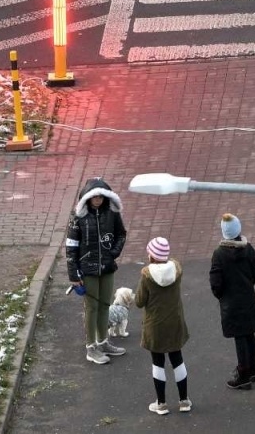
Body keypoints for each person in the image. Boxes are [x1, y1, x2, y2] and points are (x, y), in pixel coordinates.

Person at [65, 176, 128, 364]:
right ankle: (91, 347)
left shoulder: (112, 213)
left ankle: (103, 342)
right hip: (88, 269)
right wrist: (74, 274)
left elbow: (121, 234)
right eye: (94, 197)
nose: (98, 200)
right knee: (91, 308)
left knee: (105, 305)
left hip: (107, 268)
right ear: (88, 197)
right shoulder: (79, 217)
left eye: (101, 196)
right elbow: (71, 246)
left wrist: (113, 253)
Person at [135, 236, 192, 415]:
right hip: (174, 322)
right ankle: (184, 401)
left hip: (155, 325)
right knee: (177, 359)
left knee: (158, 363)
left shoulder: (146, 276)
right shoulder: (177, 270)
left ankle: (161, 404)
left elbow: (139, 301)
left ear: (151, 255)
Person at [209, 212, 255, 389]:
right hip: (248, 298)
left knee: (240, 337)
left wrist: (222, 295)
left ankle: (243, 375)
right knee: (249, 334)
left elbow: (216, 283)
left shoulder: (219, 254)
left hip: (231, 303)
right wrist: (248, 284)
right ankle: (253, 370)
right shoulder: (248, 248)